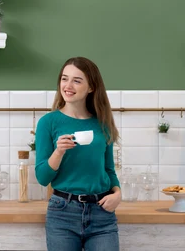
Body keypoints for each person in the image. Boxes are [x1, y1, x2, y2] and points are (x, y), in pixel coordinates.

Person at [35, 57, 121, 251]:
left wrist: (117, 193)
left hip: (102, 213)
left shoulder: (103, 123)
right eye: (64, 79)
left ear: (91, 87)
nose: (68, 85)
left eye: (77, 80)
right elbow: (42, 177)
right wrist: (58, 151)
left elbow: (108, 169)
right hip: (62, 212)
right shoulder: (48, 123)